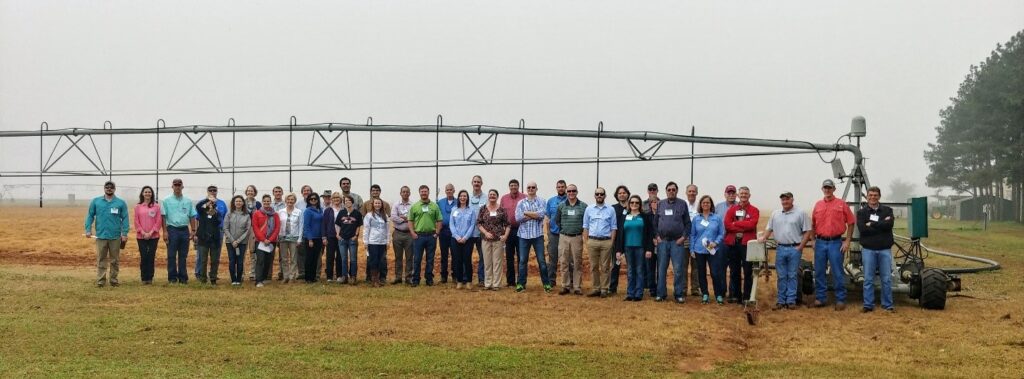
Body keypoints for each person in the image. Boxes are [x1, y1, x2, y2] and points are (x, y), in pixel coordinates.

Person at [759, 191, 812, 310]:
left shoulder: (801, 213)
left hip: (795, 248)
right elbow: (769, 229)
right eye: (783, 200)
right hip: (781, 248)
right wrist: (763, 238)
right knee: (781, 275)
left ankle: (791, 300)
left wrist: (801, 246)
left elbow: (808, 231)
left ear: (792, 200)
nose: (785, 202)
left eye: (787, 199)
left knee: (792, 275)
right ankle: (781, 300)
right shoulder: (775, 214)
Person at [811, 179, 855, 310]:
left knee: (837, 271)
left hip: (836, 242)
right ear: (822, 189)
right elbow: (812, 224)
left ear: (834, 189)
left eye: (829, 187)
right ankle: (820, 298)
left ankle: (840, 299)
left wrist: (847, 240)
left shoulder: (841, 204)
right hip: (820, 242)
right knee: (819, 271)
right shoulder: (818, 205)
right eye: (825, 187)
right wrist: (813, 240)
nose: (827, 190)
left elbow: (851, 222)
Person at [857, 186, 895, 313]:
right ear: (867, 196)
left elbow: (889, 225)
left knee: (886, 278)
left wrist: (872, 224)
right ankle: (868, 304)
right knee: (868, 278)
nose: (873, 197)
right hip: (868, 249)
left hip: (884, 249)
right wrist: (881, 224)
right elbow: (862, 229)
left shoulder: (887, 210)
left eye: (875, 195)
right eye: (870, 195)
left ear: (879, 196)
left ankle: (888, 304)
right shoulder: (861, 212)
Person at [84, 180, 129, 287]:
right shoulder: (96, 201)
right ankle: (101, 281)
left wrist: (124, 233)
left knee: (115, 260)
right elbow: (90, 216)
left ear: (114, 189)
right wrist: (88, 229)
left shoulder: (120, 203)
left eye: (111, 187)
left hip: (115, 236)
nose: (109, 189)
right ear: (104, 188)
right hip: (101, 235)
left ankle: (113, 280)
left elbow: (125, 218)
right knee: (101, 259)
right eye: (107, 187)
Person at [653, 181, 691, 303]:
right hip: (663, 242)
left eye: (673, 189)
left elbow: (688, 224)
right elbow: (655, 223)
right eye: (669, 189)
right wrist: (657, 236)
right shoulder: (661, 204)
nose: (671, 191)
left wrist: (683, 238)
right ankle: (661, 294)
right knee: (661, 269)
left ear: (676, 191)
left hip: (677, 242)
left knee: (678, 269)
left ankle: (678, 294)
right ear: (666, 191)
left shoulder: (682, 204)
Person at [724, 186, 760, 304]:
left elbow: (752, 224)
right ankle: (736, 296)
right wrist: (743, 225)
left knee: (748, 271)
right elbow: (727, 224)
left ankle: (746, 297)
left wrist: (736, 224)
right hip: (733, 244)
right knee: (734, 271)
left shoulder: (754, 210)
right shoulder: (732, 209)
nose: (743, 195)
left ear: (749, 196)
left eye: (746, 194)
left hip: (747, 244)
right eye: (742, 194)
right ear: (738, 196)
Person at [616, 195, 655, 301]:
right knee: (630, 271)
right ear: (629, 204)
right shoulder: (625, 216)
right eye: (632, 202)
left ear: (640, 204)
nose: (634, 204)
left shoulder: (644, 217)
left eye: (637, 203)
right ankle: (630, 293)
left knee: (639, 270)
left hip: (641, 248)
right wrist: (619, 250)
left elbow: (649, 234)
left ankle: (638, 293)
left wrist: (649, 249)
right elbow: (620, 234)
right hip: (628, 247)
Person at [514, 181, 551, 293]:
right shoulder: (521, 202)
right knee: (522, 261)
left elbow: (541, 215)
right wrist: (533, 214)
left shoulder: (541, 201)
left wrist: (526, 213)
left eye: (533, 187)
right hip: (523, 236)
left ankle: (546, 284)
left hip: (537, 235)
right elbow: (518, 218)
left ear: (536, 188)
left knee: (542, 261)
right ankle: (521, 284)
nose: (531, 189)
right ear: (526, 189)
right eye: (529, 187)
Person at [691, 195, 726, 305]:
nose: (706, 204)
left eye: (708, 202)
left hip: (713, 249)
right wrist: (692, 249)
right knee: (701, 273)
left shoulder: (717, 218)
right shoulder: (696, 219)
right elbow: (692, 235)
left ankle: (718, 294)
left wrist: (715, 242)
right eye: (703, 203)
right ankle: (705, 294)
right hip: (699, 249)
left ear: (711, 204)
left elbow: (722, 233)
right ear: (700, 205)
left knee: (715, 272)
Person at [583, 187, 617, 298]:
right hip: (592, 241)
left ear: (605, 196)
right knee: (593, 266)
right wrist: (586, 241)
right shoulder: (589, 209)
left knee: (605, 267)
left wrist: (611, 242)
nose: (599, 196)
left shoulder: (610, 210)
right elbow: (586, 226)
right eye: (597, 194)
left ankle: (604, 289)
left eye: (601, 194)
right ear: (595, 196)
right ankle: (596, 288)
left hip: (606, 242)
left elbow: (613, 227)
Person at [162, 178, 197, 284]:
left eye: (179, 185)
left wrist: (193, 230)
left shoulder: (188, 201)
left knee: (183, 256)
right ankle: (172, 278)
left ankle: (183, 278)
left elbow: (192, 216)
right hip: (172, 229)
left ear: (182, 187)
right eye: (175, 185)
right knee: (171, 255)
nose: (177, 187)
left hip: (184, 230)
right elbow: (163, 217)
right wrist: (164, 231)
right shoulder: (166, 200)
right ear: (172, 186)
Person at [555, 184, 587, 295]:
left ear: (577, 192)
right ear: (566, 192)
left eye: (573, 191)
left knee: (577, 262)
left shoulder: (583, 206)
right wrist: (564, 230)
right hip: (564, 237)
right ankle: (565, 286)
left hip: (577, 237)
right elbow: (557, 220)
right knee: (564, 262)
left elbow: (586, 222)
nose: (571, 193)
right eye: (569, 191)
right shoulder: (561, 205)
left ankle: (577, 287)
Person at [409, 185, 443, 286]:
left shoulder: (434, 206)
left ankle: (429, 279)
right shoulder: (415, 206)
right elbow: (410, 220)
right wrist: (412, 232)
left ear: (428, 192)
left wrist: (437, 233)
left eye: (425, 191)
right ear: (419, 193)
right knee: (417, 259)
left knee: (430, 259)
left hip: (431, 236)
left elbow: (439, 220)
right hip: (418, 236)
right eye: (422, 191)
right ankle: (415, 279)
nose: (424, 193)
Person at [478, 189, 510, 290]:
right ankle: (488, 284)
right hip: (486, 240)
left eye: (494, 194)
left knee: (497, 262)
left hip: (498, 240)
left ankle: (496, 284)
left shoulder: (502, 209)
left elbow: (508, 225)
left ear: (497, 196)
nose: (492, 196)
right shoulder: (483, 209)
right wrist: (486, 233)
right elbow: (479, 223)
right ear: (488, 196)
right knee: (487, 262)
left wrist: (505, 236)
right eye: (490, 194)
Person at [195, 185, 227, 284]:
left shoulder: (220, 206)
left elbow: (221, 217)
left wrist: (214, 208)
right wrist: (207, 200)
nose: (212, 192)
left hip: (216, 236)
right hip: (203, 236)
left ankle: (213, 278)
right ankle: (202, 278)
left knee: (215, 259)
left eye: (214, 190)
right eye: (210, 190)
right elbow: (197, 207)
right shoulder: (203, 208)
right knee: (203, 259)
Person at [360, 184, 391, 283]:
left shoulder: (385, 210)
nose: (375, 192)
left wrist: (388, 241)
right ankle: (371, 278)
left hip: (382, 241)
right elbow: (366, 227)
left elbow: (388, 228)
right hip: (372, 240)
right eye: (373, 190)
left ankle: (382, 278)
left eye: (377, 190)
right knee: (371, 259)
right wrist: (365, 241)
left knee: (382, 260)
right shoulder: (366, 208)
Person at [133, 185, 162, 285]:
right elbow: (136, 221)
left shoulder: (156, 206)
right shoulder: (138, 207)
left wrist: (151, 232)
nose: (147, 194)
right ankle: (143, 277)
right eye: (145, 192)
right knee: (144, 256)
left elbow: (158, 221)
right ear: (142, 194)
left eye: (149, 192)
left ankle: (150, 278)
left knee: (151, 256)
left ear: (152, 194)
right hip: (141, 237)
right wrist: (143, 232)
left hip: (154, 236)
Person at [499, 179, 525, 287]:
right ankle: (510, 281)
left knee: (521, 256)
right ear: (509, 187)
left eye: (515, 185)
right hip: (508, 231)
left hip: (521, 230)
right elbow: (500, 214)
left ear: (518, 186)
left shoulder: (524, 197)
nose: (513, 187)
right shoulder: (504, 198)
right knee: (509, 257)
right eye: (511, 185)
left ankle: (521, 280)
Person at [450, 190, 477, 289]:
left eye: (464, 196)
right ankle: (459, 281)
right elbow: (451, 224)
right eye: (461, 196)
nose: (462, 198)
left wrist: (465, 237)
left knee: (467, 260)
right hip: (455, 239)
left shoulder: (471, 210)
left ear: (467, 198)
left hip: (468, 240)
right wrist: (457, 237)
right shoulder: (454, 210)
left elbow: (472, 225)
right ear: (459, 197)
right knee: (457, 260)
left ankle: (469, 281)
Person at [252, 194, 280, 288]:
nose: (267, 203)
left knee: (268, 260)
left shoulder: (275, 214)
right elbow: (255, 228)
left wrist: (270, 239)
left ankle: (264, 278)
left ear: (270, 202)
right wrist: (263, 239)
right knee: (260, 260)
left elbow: (277, 228)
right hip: (260, 241)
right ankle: (258, 280)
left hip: (271, 242)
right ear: (262, 202)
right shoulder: (257, 213)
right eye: (265, 201)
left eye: (268, 201)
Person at [335, 194, 363, 285]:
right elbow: (338, 224)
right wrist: (338, 235)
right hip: (342, 239)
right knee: (343, 259)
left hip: (352, 239)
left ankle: (353, 276)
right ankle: (344, 276)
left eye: (349, 201)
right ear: (344, 203)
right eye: (345, 201)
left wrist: (356, 235)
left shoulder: (357, 213)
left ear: (352, 202)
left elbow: (359, 225)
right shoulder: (341, 212)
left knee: (353, 259)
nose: (347, 202)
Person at [224, 195, 251, 286]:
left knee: (240, 261)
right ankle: (233, 279)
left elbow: (248, 230)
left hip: (242, 243)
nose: (238, 203)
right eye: (236, 201)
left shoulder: (246, 215)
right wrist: (232, 241)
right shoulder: (229, 214)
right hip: (230, 242)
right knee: (232, 260)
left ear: (243, 203)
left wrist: (238, 241)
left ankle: (239, 279)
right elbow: (225, 228)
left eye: (240, 201)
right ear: (234, 203)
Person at [545, 180, 568, 286]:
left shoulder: (571, 200)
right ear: (556, 188)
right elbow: (548, 218)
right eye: (559, 187)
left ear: (566, 187)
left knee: (568, 259)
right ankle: (551, 281)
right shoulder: (551, 201)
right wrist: (548, 233)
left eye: (562, 187)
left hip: (567, 234)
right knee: (552, 258)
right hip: (554, 234)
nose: (561, 188)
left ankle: (569, 281)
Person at [278, 193, 304, 283]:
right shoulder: (280, 212)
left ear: (294, 201)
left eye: (292, 200)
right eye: (288, 199)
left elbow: (301, 226)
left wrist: (300, 239)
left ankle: (292, 277)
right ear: (285, 201)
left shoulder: (299, 212)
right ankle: (286, 276)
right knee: (284, 258)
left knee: (293, 258)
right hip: (283, 237)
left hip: (294, 238)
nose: (290, 201)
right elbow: (278, 225)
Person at [390, 186, 414, 284]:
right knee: (398, 257)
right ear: (400, 193)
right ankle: (398, 277)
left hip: (409, 234)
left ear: (409, 193)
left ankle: (408, 277)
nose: (405, 193)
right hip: (397, 233)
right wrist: (405, 219)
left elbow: (414, 218)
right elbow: (393, 217)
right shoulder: (396, 205)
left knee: (409, 257)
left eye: (407, 192)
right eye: (403, 192)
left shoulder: (413, 205)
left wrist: (404, 218)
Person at [609, 185, 630, 294]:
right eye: (620, 193)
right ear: (617, 195)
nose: (622, 195)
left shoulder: (632, 207)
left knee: (631, 266)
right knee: (615, 265)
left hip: (630, 240)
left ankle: (631, 288)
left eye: (624, 193)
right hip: (616, 241)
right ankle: (612, 288)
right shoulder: (613, 208)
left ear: (627, 194)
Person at [437, 183, 457, 284]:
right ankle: (443, 276)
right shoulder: (440, 202)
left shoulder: (458, 202)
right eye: (447, 190)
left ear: (454, 190)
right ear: (445, 191)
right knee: (444, 254)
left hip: (455, 232)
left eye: (451, 189)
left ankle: (455, 275)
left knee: (455, 254)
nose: (449, 191)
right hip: (443, 231)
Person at [302, 193, 325, 283]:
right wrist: (310, 239)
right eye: (311, 199)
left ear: (318, 200)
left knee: (316, 258)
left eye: (315, 199)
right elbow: (306, 226)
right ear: (309, 201)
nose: (313, 200)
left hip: (319, 238)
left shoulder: (320, 210)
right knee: (309, 258)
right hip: (311, 238)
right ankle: (308, 278)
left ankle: (313, 277)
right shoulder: (308, 211)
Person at [643, 183, 660, 297]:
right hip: (650, 244)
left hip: (661, 243)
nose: (655, 203)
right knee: (650, 267)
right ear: (650, 204)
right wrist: (652, 240)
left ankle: (660, 288)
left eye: (657, 202)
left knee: (661, 267)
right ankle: (652, 289)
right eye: (653, 202)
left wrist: (659, 239)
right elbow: (646, 231)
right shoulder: (646, 216)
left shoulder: (663, 215)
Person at [684, 184, 701, 296]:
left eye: (693, 191)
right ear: (686, 192)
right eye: (689, 191)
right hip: (684, 238)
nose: (691, 193)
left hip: (697, 240)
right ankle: (683, 289)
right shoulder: (682, 204)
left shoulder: (700, 206)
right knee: (683, 265)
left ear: (696, 193)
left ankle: (695, 288)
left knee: (696, 266)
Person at [469, 175, 486, 286]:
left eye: (478, 182)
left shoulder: (486, 198)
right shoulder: (467, 197)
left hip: (481, 232)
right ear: (472, 183)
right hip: (469, 233)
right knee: (467, 256)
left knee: (483, 257)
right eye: (474, 181)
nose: (476, 183)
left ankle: (482, 279)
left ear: (481, 183)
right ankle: (467, 279)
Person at [323, 192, 343, 282]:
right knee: (330, 256)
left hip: (341, 236)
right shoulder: (328, 210)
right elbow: (324, 224)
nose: (336, 199)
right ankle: (329, 277)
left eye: (337, 198)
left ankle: (339, 275)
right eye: (334, 198)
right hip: (330, 236)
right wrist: (324, 237)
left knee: (340, 256)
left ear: (340, 199)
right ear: (331, 199)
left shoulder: (344, 210)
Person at [243, 185, 261, 281]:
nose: (250, 192)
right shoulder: (241, 202)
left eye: (252, 191)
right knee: (242, 251)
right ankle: (241, 272)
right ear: (246, 192)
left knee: (253, 251)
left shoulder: (258, 204)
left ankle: (253, 272)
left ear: (255, 192)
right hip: (243, 229)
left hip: (254, 229)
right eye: (249, 190)